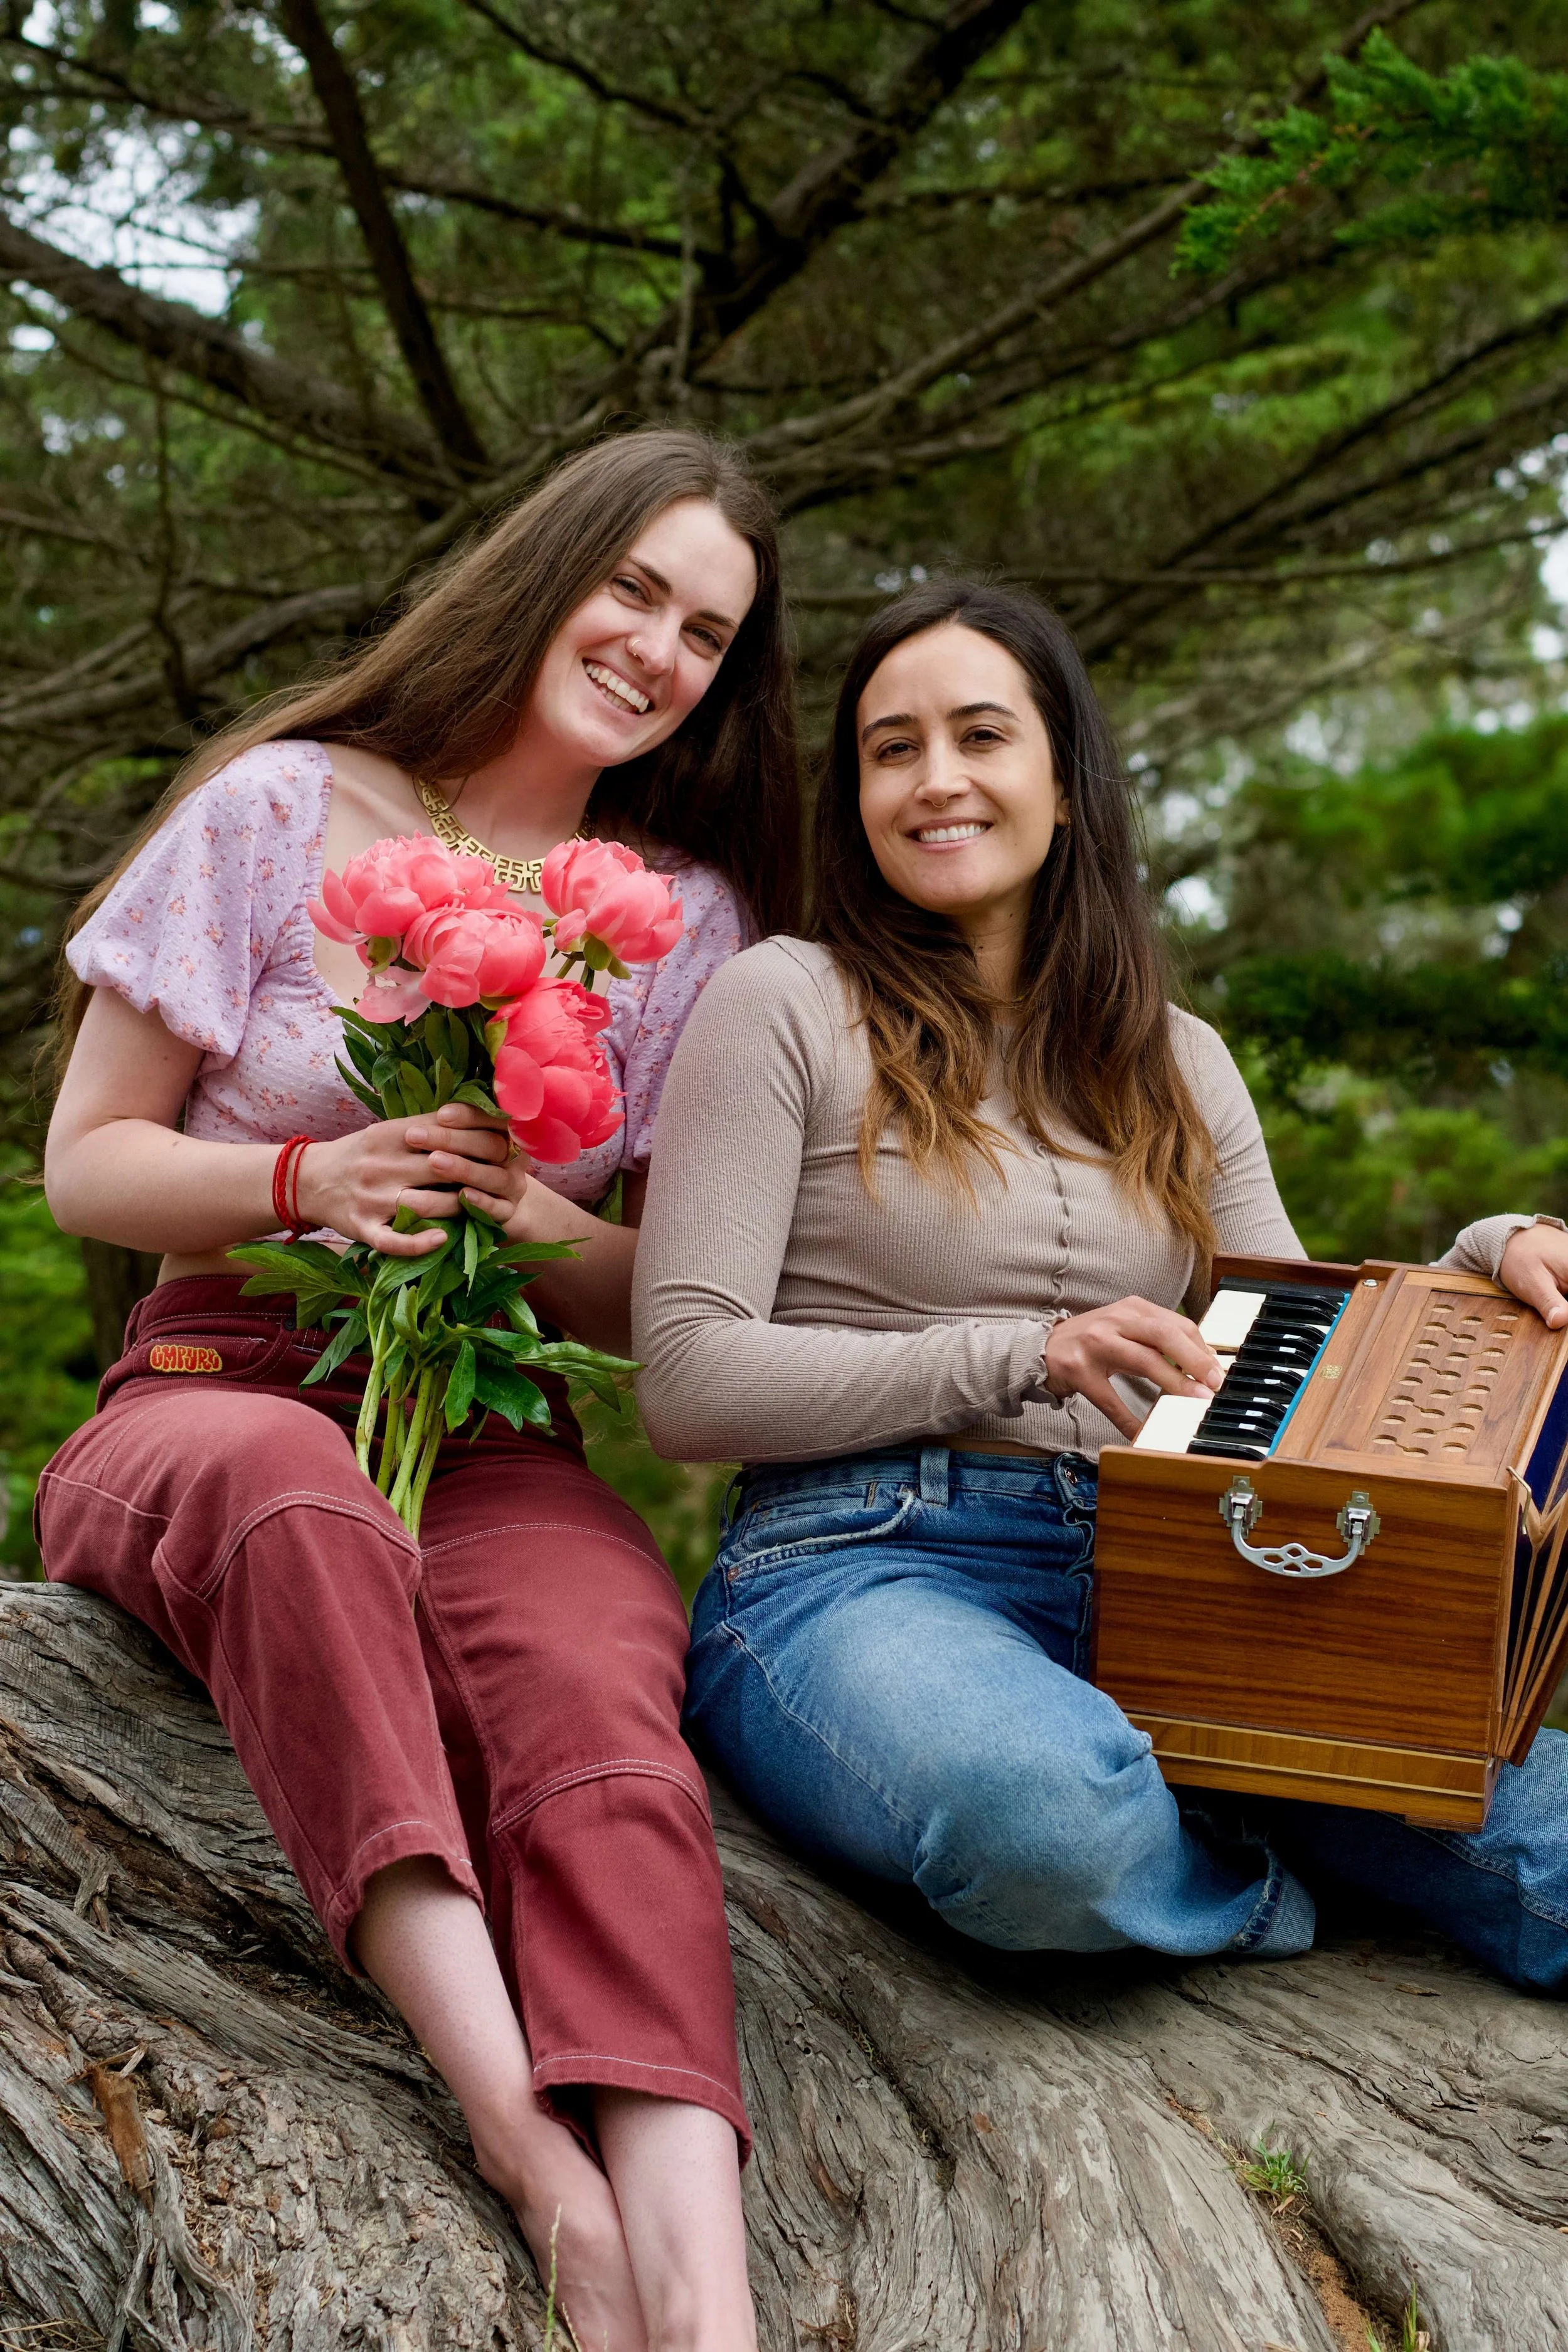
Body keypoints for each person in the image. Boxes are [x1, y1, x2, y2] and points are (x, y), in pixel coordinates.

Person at [40, 427, 801, 2352]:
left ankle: (697, 2292)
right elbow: (88, 1163)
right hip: (215, 1383)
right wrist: (313, 1174)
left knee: (604, 1653)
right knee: (297, 1498)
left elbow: (661, 1300)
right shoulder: (279, 806)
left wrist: (520, 1210)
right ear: (546, 563)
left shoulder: (682, 920)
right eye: (632, 586)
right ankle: (531, 2153)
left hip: (491, 1426)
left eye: (705, 631)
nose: (654, 647)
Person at [632, 577, 1568, 1995]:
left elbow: (1301, 1348)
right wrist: (1023, 1352)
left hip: (1196, 1591)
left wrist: (1479, 1254)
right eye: (891, 749)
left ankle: (1216, 1795)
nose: (934, 779)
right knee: (1043, 1821)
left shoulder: (1179, 1056)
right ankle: (1250, 1857)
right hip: (858, 1569)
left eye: (978, 736)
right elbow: (689, 1380)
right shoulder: (781, 1001)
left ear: (1064, 784)